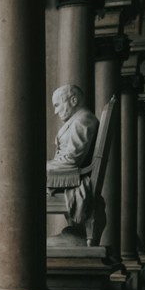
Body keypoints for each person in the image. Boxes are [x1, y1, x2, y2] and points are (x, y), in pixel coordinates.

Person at [47, 82, 99, 230]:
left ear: (73, 101)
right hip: (70, 175)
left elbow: (71, 160)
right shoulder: (80, 119)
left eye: (57, 105)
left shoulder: (82, 120)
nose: (56, 112)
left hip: (74, 180)